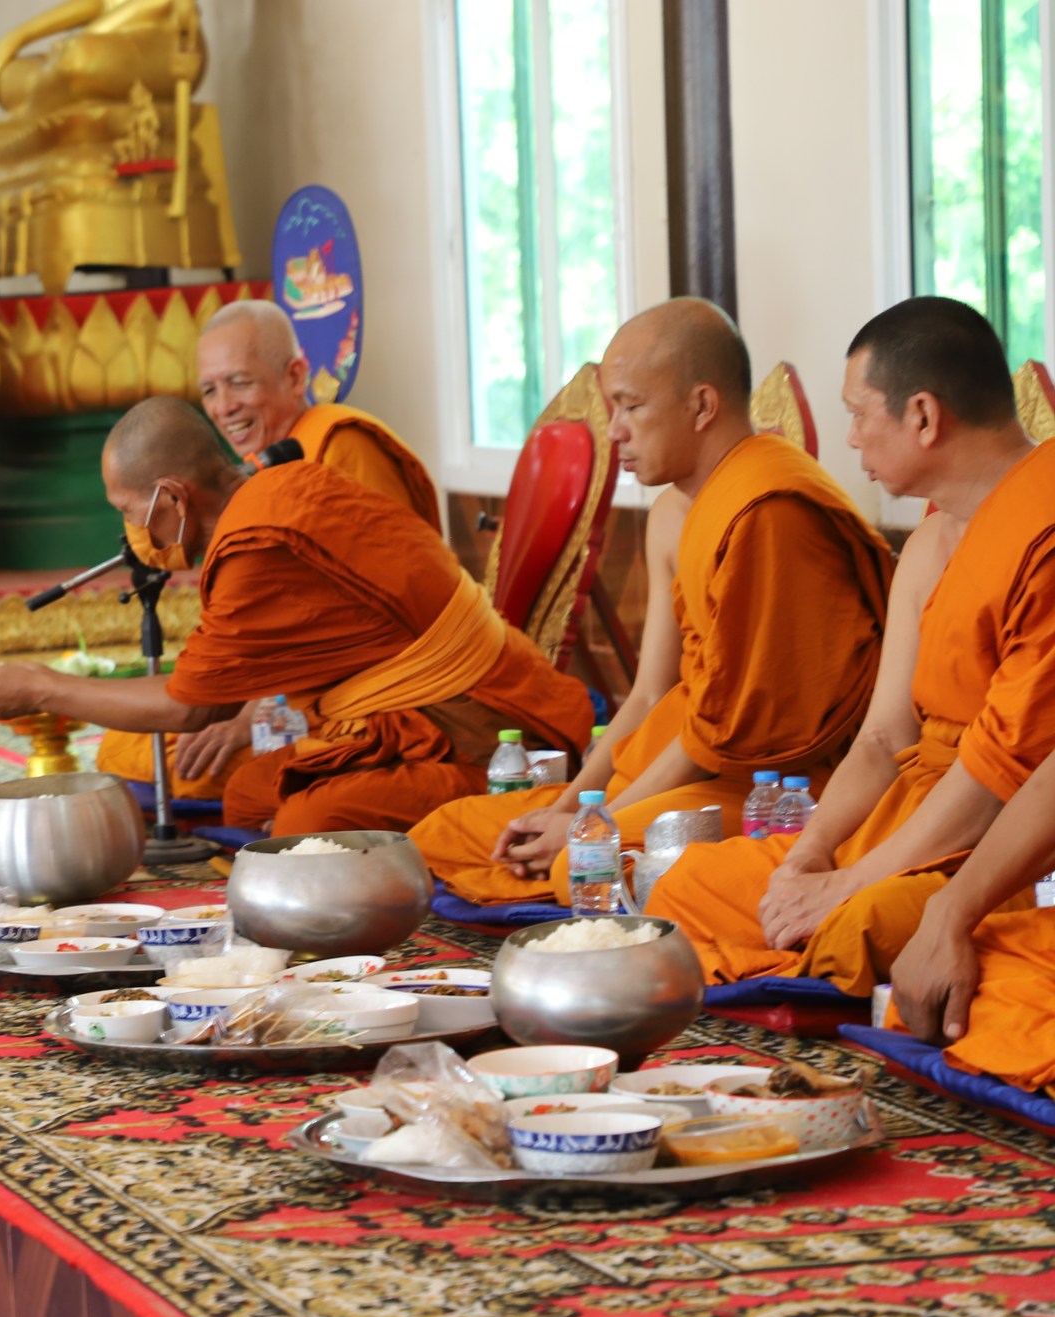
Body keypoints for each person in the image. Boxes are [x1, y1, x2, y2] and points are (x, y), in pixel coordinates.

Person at [410, 299, 894, 907]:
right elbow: (648, 694)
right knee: (446, 832)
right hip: (672, 761)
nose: (613, 431)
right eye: (614, 408)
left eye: (632, 407)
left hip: (761, 784)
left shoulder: (767, 512)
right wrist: (572, 807)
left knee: (584, 867)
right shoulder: (673, 511)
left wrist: (598, 824)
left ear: (701, 405)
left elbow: (728, 731)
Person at [0, 396, 591, 834]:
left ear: (172, 497)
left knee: (300, 828)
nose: (130, 530)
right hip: (381, 708)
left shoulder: (259, 542)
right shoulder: (279, 487)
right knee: (248, 792)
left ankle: (503, 797)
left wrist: (41, 686)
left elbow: (190, 707)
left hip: (484, 728)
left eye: (129, 511)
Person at [647, 297, 1055, 997]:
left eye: (860, 414)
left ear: (923, 416)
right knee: (683, 886)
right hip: (901, 821)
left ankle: (821, 972)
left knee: (852, 927)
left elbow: (999, 772)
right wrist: (812, 852)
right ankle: (807, 969)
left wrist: (852, 881)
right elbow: (882, 738)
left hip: (987, 848)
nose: (852, 440)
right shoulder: (928, 544)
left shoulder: (1041, 529)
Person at [94, 299, 442, 806]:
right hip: (299, 698)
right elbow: (171, 555)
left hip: (375, 702)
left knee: (166, 761)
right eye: (210, 390)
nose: (223, 406)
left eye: (240, 382)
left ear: (295, 375)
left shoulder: (341, 448)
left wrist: (249, 718)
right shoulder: (259, 474)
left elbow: (379, 618)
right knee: (125, 745)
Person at [891, 747, 1055, 1092]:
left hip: (964, 819)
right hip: (911, 803)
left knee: (866, 919)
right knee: (974, 975)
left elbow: (1000, 767)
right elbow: (878, 740)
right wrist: (946, 916)